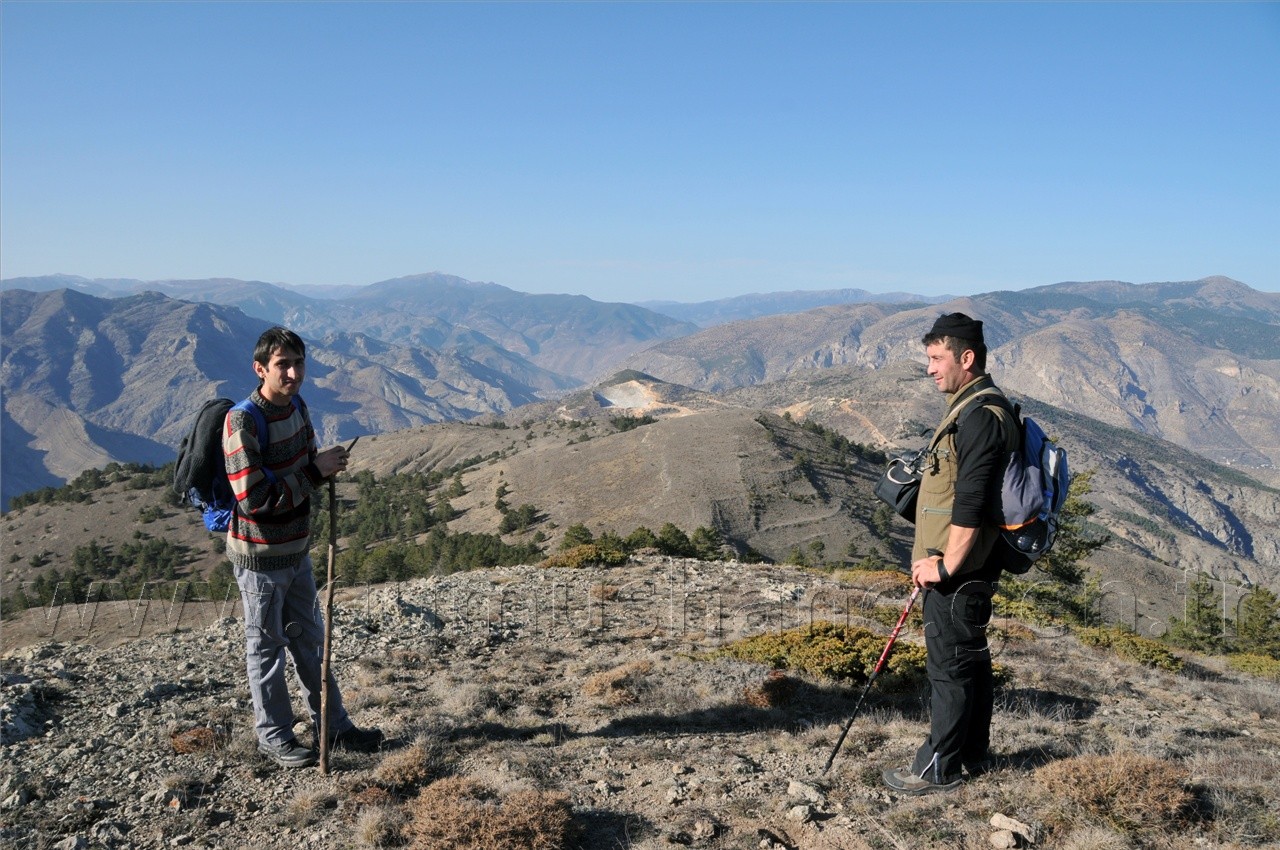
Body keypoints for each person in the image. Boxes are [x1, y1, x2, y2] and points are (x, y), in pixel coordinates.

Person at [224, 326, 383, 768]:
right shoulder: (241, 421)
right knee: (267, 647)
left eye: (298, 363)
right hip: (260, 557)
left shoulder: (297, 406)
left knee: (311, 641)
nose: (292, 373)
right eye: (282, 365)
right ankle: (274, 736)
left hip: (296, 552)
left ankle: (334, 728)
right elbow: (253, 500)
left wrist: (323, 468)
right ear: (261, 369)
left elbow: (306, 466)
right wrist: (315, 472)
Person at [882, 312, 1017, 795]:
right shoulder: (978, 406)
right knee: (972, 659)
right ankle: (970, 754)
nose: (930, 369)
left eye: (938, 359)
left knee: (950, 667)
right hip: (973, 566)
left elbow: (972, 499)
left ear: (967, 357)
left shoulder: (980, 414)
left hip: (958, 570)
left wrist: (945, 564)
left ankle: (936, 768)